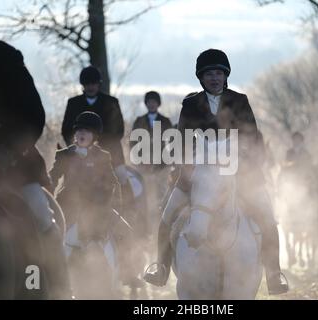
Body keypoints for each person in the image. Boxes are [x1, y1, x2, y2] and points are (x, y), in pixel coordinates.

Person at [144, 49, 289, 295]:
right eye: (209, 73)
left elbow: (252, 140)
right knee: (167, 217)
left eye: (219, 73)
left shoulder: (240, 101)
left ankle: (274, 274)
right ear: (201, 77)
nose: (214, 77)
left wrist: (242, 170)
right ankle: (161, 267)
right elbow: (181, 144)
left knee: (266, 216)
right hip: (197, 177)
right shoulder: (190, 104)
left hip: (239, 176)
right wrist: (191, 173)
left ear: (225, 75)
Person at [0, 0, 70, 298]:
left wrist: (3, 154)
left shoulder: (5, 58)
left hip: (9, 167)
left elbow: (32, 115)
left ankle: (49, 290)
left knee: (40, 217)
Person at [50, 111, 144, 289]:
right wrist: (49, 197)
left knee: (127, 232)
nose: (81, 134)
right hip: (69, 208)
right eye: (79, 131)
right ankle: (48, 278)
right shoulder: (64, 154)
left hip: (99, 208)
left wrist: (114, 207)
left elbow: (113, 184)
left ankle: (128, 274)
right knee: (47, 233)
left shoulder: (103, 155)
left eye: (86, 131)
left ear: (95, 136)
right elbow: (53, 178)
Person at [130, 91, 173, 236]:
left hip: (162, 167)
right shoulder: (139, 121)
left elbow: (171, 143)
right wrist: (141, 162)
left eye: (154, 101)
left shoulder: (166, 121)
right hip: (144, 167)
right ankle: (145, 230)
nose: (152, 104)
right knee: (145, 199)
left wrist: (164, 163)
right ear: (146, 103)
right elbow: (133, 143)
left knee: (161, 198)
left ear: (158, 103)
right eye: (149, 101)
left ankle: (161, 228)